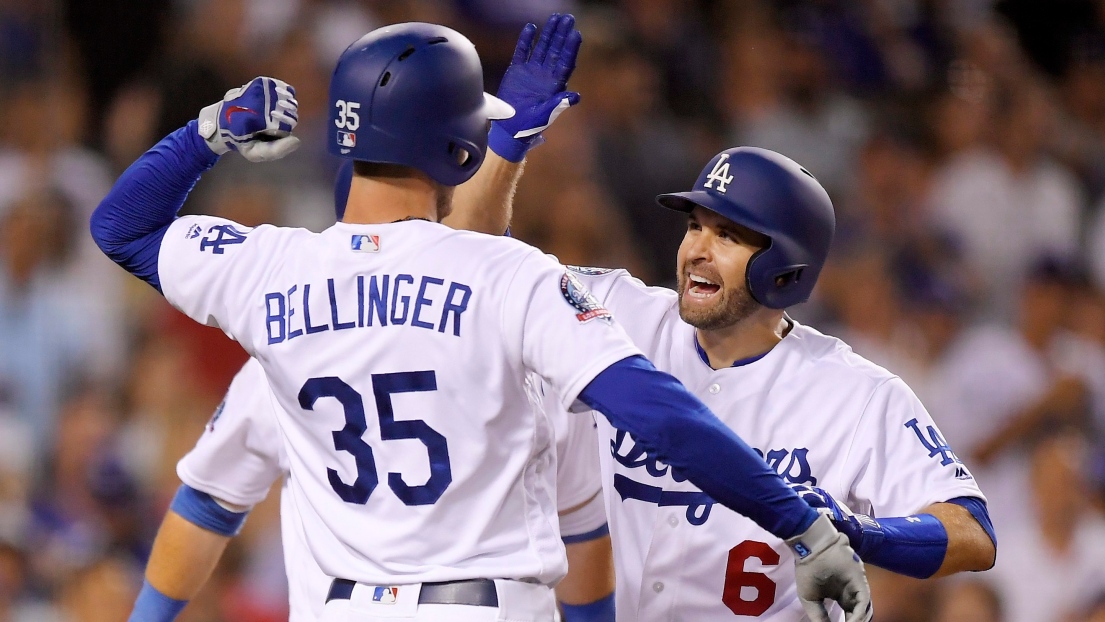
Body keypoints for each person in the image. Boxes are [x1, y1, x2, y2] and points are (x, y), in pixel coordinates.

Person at [90, 20, 871, 622]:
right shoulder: (509, 275)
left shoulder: (267, 270)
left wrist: (207, 134)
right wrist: (798, 522)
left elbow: (121, 228)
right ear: (461, 153)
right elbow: (656, 411)